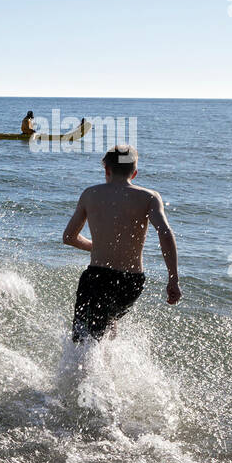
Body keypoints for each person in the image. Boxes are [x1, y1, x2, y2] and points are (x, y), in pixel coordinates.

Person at [61, 145, 180, 342]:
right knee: (109, 321)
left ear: (107, 170)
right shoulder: (149, 197)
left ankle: (85, 363)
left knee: (84, 340)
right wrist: (173, 278)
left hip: (97, 277)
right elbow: (165, 234)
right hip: (132, 282)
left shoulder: (90, 194)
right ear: (134, 173)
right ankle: (109, 360)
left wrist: (96, 246)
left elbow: (69, 237)